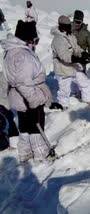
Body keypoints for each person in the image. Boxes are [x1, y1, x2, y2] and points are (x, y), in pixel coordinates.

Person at [0, 20, 53, 162]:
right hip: (29, 96)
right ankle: (41, 155)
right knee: (36, 125)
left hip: (18, 96)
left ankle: (25, 152)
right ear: (26, 39)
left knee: (24, 125)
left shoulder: (11, 51)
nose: (35, 44)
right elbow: (24, 82)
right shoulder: (23, 56)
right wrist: (34, 99)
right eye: (34, 40)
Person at [51, 15, 90, 109]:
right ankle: (63, 106)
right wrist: (77, 59)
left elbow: (76, 48)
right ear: (61, 26)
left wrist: (84, 54)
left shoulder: (70, 36)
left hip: (73, 67)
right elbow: (64, 56)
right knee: (65, 90)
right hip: (63, 68)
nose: (69, 27)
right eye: (67, 25)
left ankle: (87, 99)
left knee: (85, 82)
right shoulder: (58, 39)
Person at [71, 10, 90, 74]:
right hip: (70, 57)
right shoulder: (68, 29)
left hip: (82, 57)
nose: (77, 24)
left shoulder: (86, 33)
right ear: (73, 20)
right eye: (76, 21)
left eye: (79, 22)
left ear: (82, 22)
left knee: (82, 76)